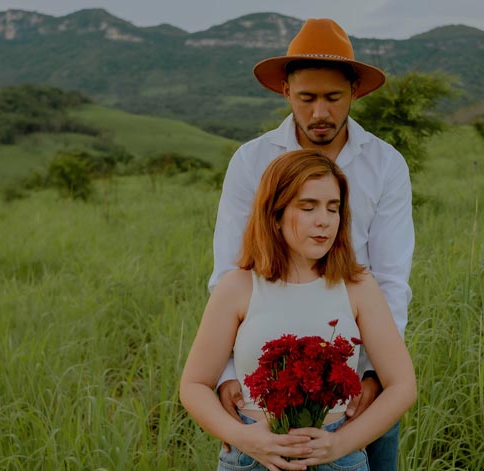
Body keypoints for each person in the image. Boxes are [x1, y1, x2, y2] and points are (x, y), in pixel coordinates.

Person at [209, 18, 414, 469]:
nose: (320, 113)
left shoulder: (385, 165)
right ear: (285, 91)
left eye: (333, 98)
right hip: (265, 379)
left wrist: (375, 374)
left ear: (355, 92)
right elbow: (229, 270)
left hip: (360, 371)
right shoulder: (252, 161)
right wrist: (226, 373)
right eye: (307, 98)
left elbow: (392, 279)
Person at [181, 150, 416, 471]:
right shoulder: (238, 287)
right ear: (275, 215)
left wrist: (341, 444)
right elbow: (193, 385)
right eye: (308, 207)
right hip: (252, 456)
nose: (324, 220)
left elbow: (402, 386)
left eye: (333, 208)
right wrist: (243, 437)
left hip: (336, 455)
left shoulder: (358, 286)